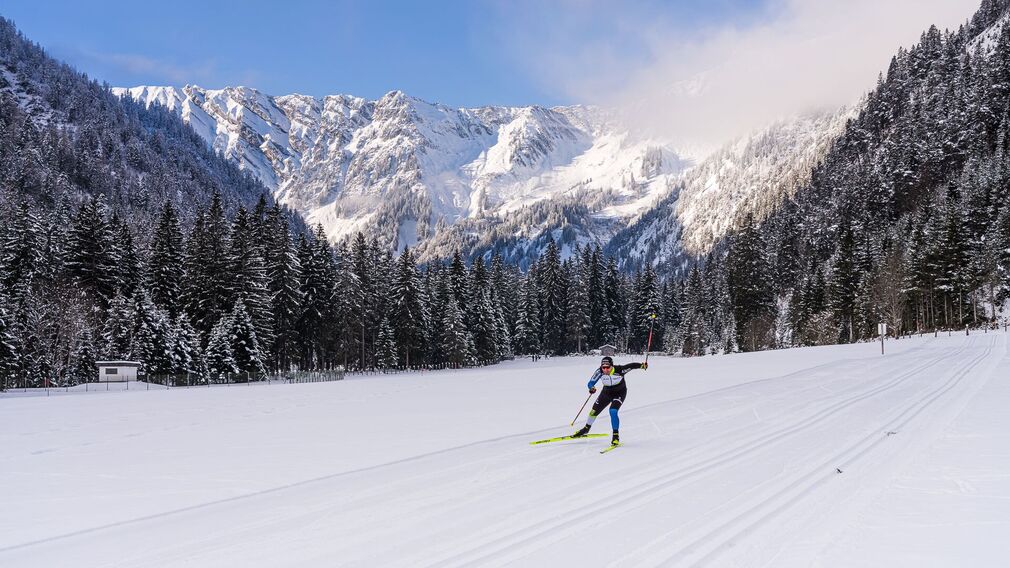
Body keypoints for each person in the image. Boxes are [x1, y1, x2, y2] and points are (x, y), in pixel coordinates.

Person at [572, 356, 647, 445]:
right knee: (593, 411)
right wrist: (591, 387)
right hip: (606, 393)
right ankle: (586, 429)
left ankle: (615, 436)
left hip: (619, 393)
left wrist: (642, 366)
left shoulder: (620, 370)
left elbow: (632, 366)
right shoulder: (599, 371)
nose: (605, 369)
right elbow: (591, 382)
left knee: (613, 411)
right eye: (603, 367)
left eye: (608, 367)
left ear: (612, 366)